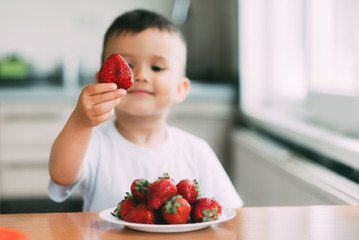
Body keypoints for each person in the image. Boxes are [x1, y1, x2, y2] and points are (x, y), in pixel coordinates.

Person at [48, 9, 243, 212]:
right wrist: (80, 122)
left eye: (157, 68)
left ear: (180, 88)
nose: (140, 75)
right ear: (102, 80)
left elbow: (229, 211)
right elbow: (62, 177)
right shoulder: (93, 143)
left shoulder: (196, 151)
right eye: (128, 65)